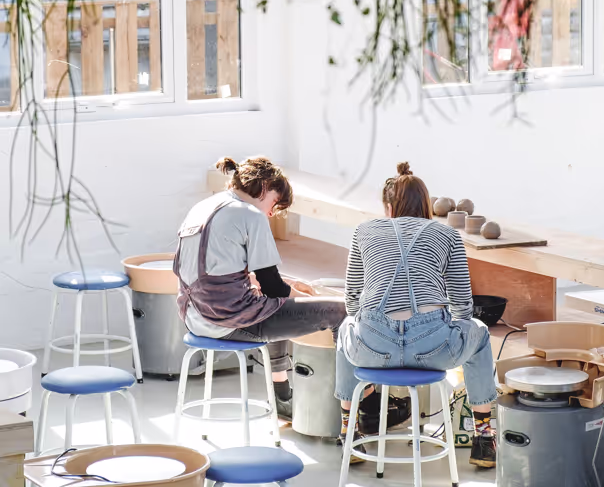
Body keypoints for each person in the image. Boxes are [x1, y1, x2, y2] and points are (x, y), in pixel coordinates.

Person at [335, 162, 497, 468]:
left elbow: (352, 298)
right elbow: (463, 303)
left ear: (388, 206)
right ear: (426, 204)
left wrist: (370, 323)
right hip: (433, 349)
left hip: (372, 348)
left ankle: (349, 432)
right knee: (480, 333)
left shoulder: (364, 230)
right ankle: (484, 438)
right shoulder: (446, 233)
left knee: (346, 326)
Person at [174, 156, 347, 419]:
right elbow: (273, 286)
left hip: (194, 317)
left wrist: (286, 288)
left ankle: (282, 396)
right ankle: (354, 413)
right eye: (274, 204)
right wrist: (304, 296)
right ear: (264, 189)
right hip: (229, 321)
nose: (271, 213)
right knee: (341, 311)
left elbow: (212, 273)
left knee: (269, 303)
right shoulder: (249, 214)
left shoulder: (203, 206)